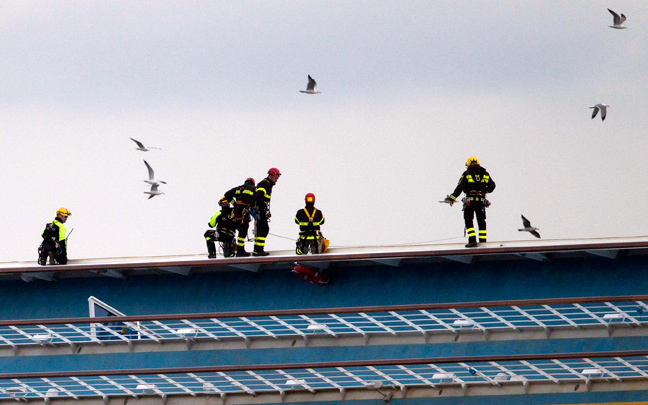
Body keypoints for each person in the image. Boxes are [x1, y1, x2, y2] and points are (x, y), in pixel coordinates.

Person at [444, 157, 496, 248]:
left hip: (470, 202)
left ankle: (472, 240)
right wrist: (483, 191)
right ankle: (483, 241)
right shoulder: (485, 173)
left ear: (467, 164)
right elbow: (492, 186)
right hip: (480, 202)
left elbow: (460, 187)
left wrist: (452, 198)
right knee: (481, 221)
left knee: (468, 220)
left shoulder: (466, 174)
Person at [222, 177, 256, 257]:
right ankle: (240, 251)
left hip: (236, 212)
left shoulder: (238, 188)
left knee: (240, 230)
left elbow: (227, 194)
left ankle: (238, 249)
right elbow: (255, 199)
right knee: (243, 231)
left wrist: (234, 204)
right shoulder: (253, 188)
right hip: (244, 212)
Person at [252, 167, 281, 256]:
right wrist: (262, 210)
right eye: (275, 178)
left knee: (261, 228)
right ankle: (259, 250)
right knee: (264, 228)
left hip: (259, 209)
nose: (276, 181)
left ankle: (257, 250)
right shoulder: (265, 184)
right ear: (271, 176)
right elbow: (259, 197)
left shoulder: (266, 184)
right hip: (259, 210)